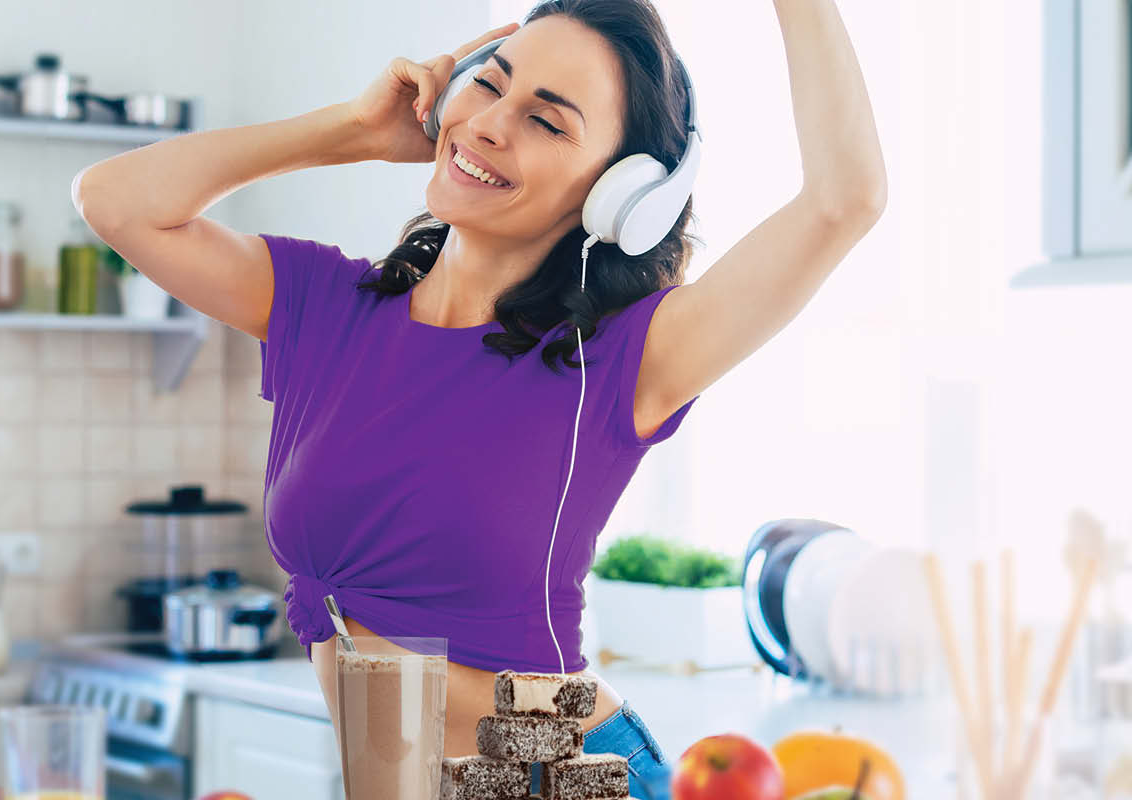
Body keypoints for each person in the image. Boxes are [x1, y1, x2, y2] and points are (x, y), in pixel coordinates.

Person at [73, 1, 886, 797]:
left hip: (557, 772)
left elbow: (843, 201)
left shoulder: (618, 360)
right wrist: (353, 132)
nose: (493, 123)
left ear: (621, 195)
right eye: (489, 84)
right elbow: (115, 202)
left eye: (548, 121)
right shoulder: (325, 304)